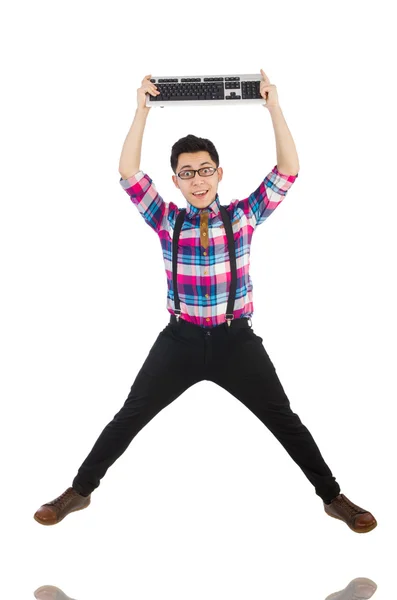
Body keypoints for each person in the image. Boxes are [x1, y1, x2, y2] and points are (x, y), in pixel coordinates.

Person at [34, 70, 376, 534]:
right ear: (176, 180)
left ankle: (333, 498)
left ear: (219, 173)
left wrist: (273, 107)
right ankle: (79, 490)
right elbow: (129, 172)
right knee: (129, 415)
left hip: (237, 341)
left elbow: (288, 171)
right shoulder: (165, 218)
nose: (198, 181)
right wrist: (141, 111)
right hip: (180, 340)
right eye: (188, 173)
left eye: (206, 170)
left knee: (284, 419)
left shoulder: (243, 215)